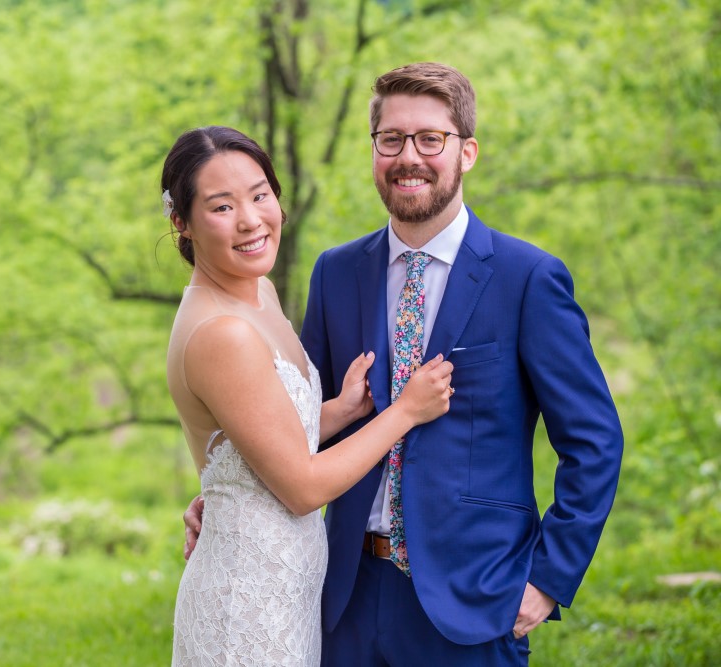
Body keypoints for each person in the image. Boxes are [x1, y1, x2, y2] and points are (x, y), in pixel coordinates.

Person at [184, 64, 624, 666]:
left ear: (466, 152)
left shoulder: (528, 280)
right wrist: (233, 494)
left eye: (429, 139)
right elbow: (292, 427)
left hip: (471, 605)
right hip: (341, 597)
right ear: (373, 150)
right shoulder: (336, 273)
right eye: (390, 139)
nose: (407, 156)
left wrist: (548, 579)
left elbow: (594, 442)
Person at [162, 125, 454, 666]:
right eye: (222, 206)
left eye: (260, 195)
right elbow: (301, 487)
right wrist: (405, 413)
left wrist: (340, 411)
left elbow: (262, 434)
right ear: (182, 222)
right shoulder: (220, 331)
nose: (251, 220)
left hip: (287, 595)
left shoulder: (258, 292)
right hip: (246, 609)